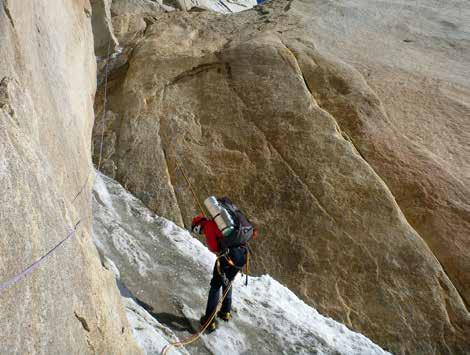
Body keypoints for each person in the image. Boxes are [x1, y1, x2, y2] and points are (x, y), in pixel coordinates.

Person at [191, 215, 247, 333]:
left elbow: (213, 247)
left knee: (215, 286)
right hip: (242, 255)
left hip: (228, 257)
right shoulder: (219, 223)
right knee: (227, 281)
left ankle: (209, 322)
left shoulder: (209, 226)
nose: (200, 232)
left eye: (197, 229)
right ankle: (225, 312)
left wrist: (217, 245)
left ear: (199, 224)